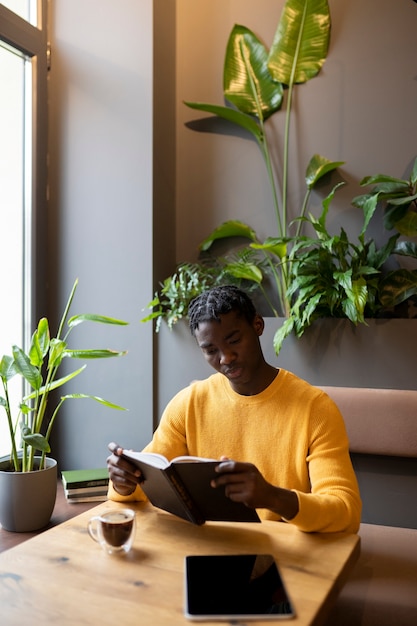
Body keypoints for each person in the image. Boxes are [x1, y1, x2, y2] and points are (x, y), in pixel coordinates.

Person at [107, 285, 361, 533]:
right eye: (211, 350)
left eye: (234, 340)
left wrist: (272, 497)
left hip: (283, 553)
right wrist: (124, 481)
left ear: (257, 326)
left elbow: (345, 511)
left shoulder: (315, 409)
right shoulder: (188, 404)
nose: (226, 358)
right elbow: (141, 488)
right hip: (207, 543)